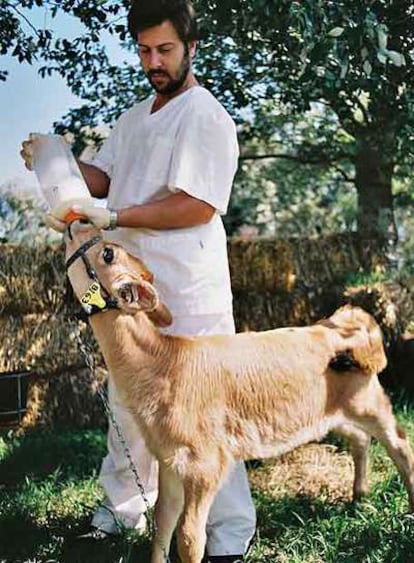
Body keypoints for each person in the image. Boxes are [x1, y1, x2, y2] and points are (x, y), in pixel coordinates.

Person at [21, 1, 256, 561]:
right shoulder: (134, 117)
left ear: (191, 47)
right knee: (129, 399)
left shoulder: (205, 116)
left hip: (188, 284)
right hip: (130, 283)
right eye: (145, 50)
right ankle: (119, 516)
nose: (153, 60)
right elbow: (103, 180)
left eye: (165, 50)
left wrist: (117, 218)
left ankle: (226, 535)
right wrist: (56, 160)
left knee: (204, 412)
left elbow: (197, 205)